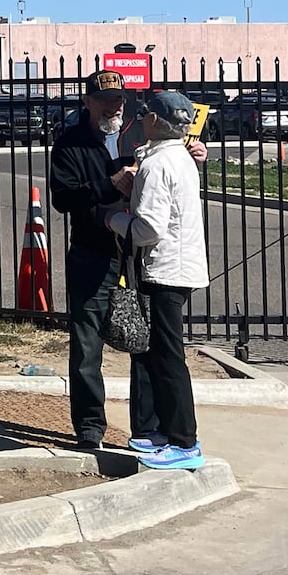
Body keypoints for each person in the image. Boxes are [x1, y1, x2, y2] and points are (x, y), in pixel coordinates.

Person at [104, 90, 209, 470]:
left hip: (165, 269)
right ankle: (165, 431)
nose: (142, 119)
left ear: (153, 122)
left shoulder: (157, 165)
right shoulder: (176, 158)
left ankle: (184, 440)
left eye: (146, 115)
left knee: (168, 356)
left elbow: (149, 228)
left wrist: (113, 219)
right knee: (160, 354)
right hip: (177, 267)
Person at [49, 70, 148, 451]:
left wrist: (192, 156)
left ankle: (146, 425)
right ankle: (90, 426)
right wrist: (109, 184)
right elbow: (63, 198)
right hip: (93, 253)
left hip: (139, 254)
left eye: (119, 98)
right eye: (105, 99)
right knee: (87, 344)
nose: (114, 105)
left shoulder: (139, 137)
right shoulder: (71, 143)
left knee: (144, 339)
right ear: (87, 102)